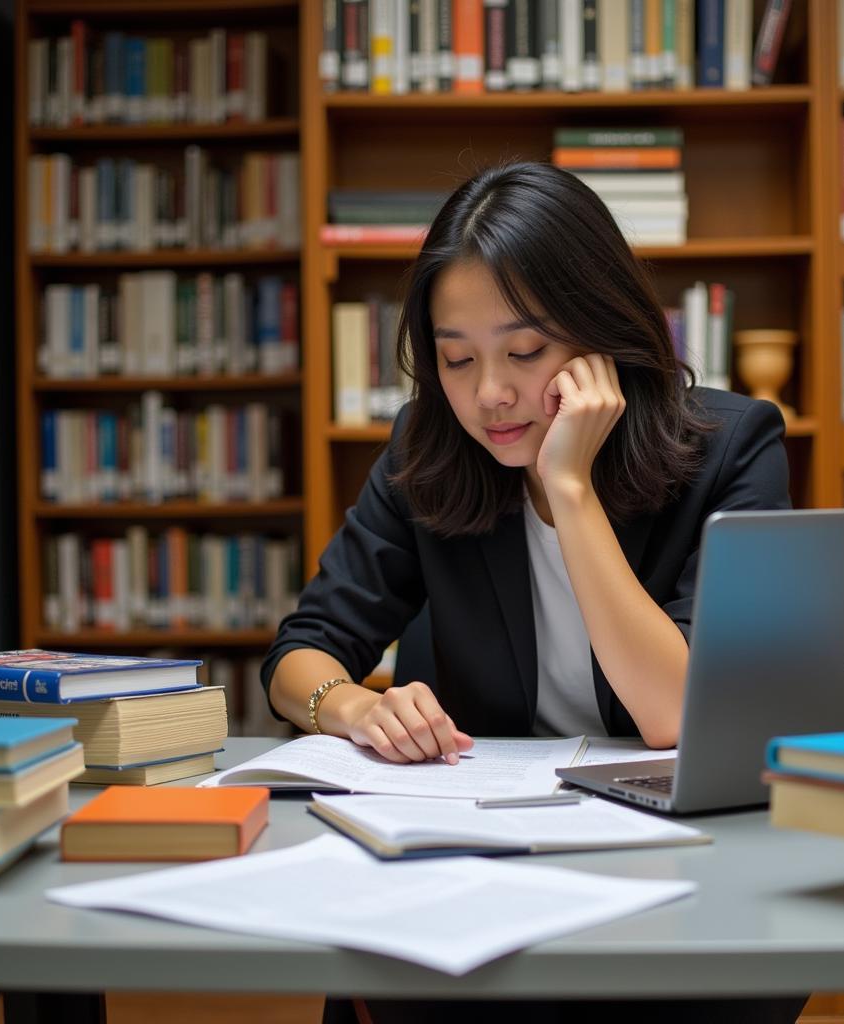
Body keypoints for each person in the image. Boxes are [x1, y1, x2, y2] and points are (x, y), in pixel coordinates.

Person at [262, 161, 804, 1024]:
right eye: (456, 358)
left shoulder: (733, 451)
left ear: (602, 334)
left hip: (677, 868)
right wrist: (350, 710)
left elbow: (678, 711)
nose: (491, 395)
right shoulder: (426, 452)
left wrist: (573, 489)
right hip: (482, 867)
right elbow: (303, 651)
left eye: (524, 351)